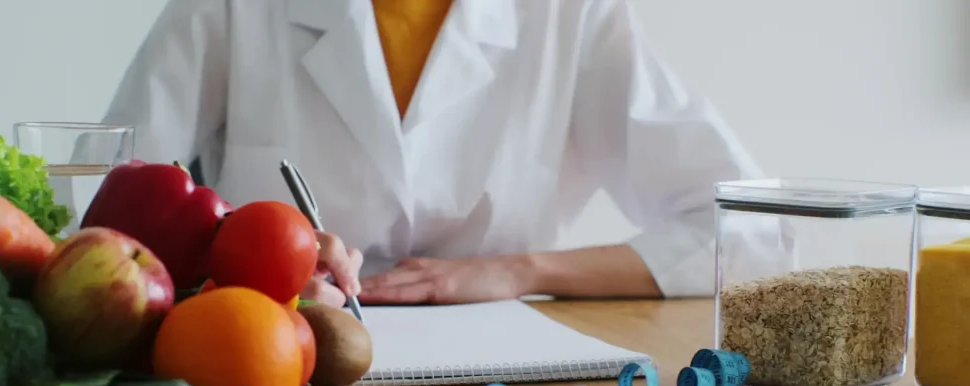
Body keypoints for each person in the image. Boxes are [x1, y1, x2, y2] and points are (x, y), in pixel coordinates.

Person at [103, 0, 780, 309]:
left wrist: (520, 270)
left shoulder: (574, 15)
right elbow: (96, 228)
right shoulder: (225, 9)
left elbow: (755, 232)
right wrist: (243, 266)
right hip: (276, 385)